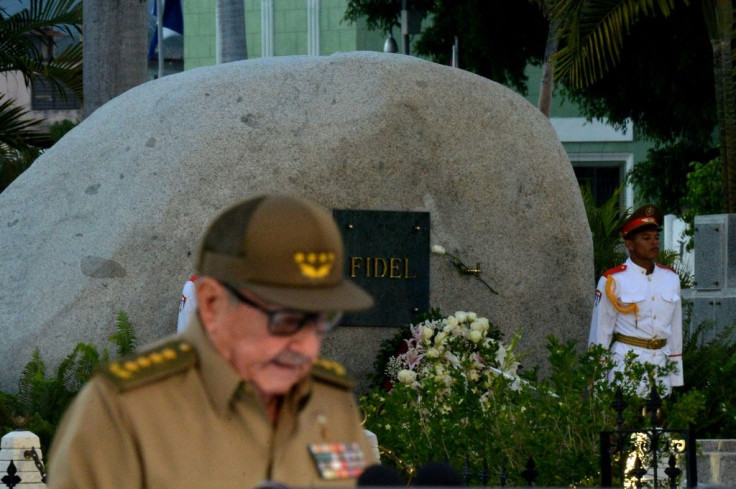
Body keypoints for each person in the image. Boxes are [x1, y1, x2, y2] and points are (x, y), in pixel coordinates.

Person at [47, 194, 377, 489]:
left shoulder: (329, 401)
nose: (307, 348)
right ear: (212, 303)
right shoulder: (122, 410)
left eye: (321, 320)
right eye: (286, 321)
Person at [588, 204, 683, 394]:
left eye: (656, 237)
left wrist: (676, 379)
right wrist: (597, 383)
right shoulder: (613, 280)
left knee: (659, 422)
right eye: (646, 238)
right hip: (627, 366)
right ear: (629, 244)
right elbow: (600, 333)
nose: (654, 242)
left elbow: (675, 330)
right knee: (626, 422)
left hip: (661, 369)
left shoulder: (670, 278)